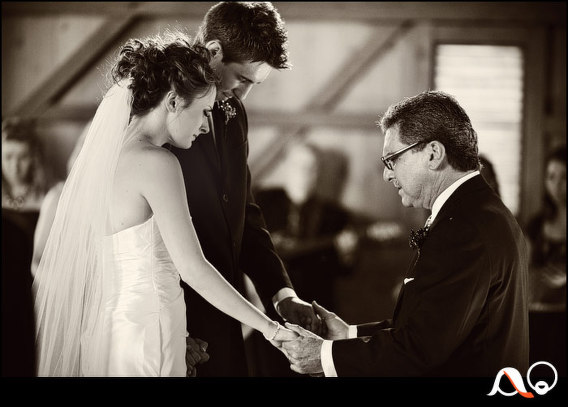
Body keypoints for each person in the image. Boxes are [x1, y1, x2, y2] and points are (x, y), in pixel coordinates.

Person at [32, 32, 296, 377]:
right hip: (150, 331)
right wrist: (270, 329)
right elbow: (194, 268)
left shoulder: (109, 158)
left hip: (114, 329)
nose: (205, 126)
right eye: (203, 112)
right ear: (173, 101)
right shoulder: (158, 163)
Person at [281, 90, 530, 377]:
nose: (387, 174)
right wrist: (348, 334)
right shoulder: (478, 211)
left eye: (392, 159)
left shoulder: (464, 228)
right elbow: (433, 325)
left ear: (433, 154)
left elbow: (420, 350)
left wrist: (323, 355)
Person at [168, 2, 318, 377]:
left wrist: (282, 294)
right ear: (213, 51)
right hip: (172, 319)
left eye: (254, 84)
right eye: (242, 79)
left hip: (225, 313)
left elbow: (243, 213)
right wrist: (169, 329)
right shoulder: (161, 112)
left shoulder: (233, 113)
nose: (244, 95)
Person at [525, 145, 566, 376]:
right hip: (538, 315)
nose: (557, 185)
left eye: (564, 177)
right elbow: (525, 267)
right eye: (551, 177)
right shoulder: (536, 224)